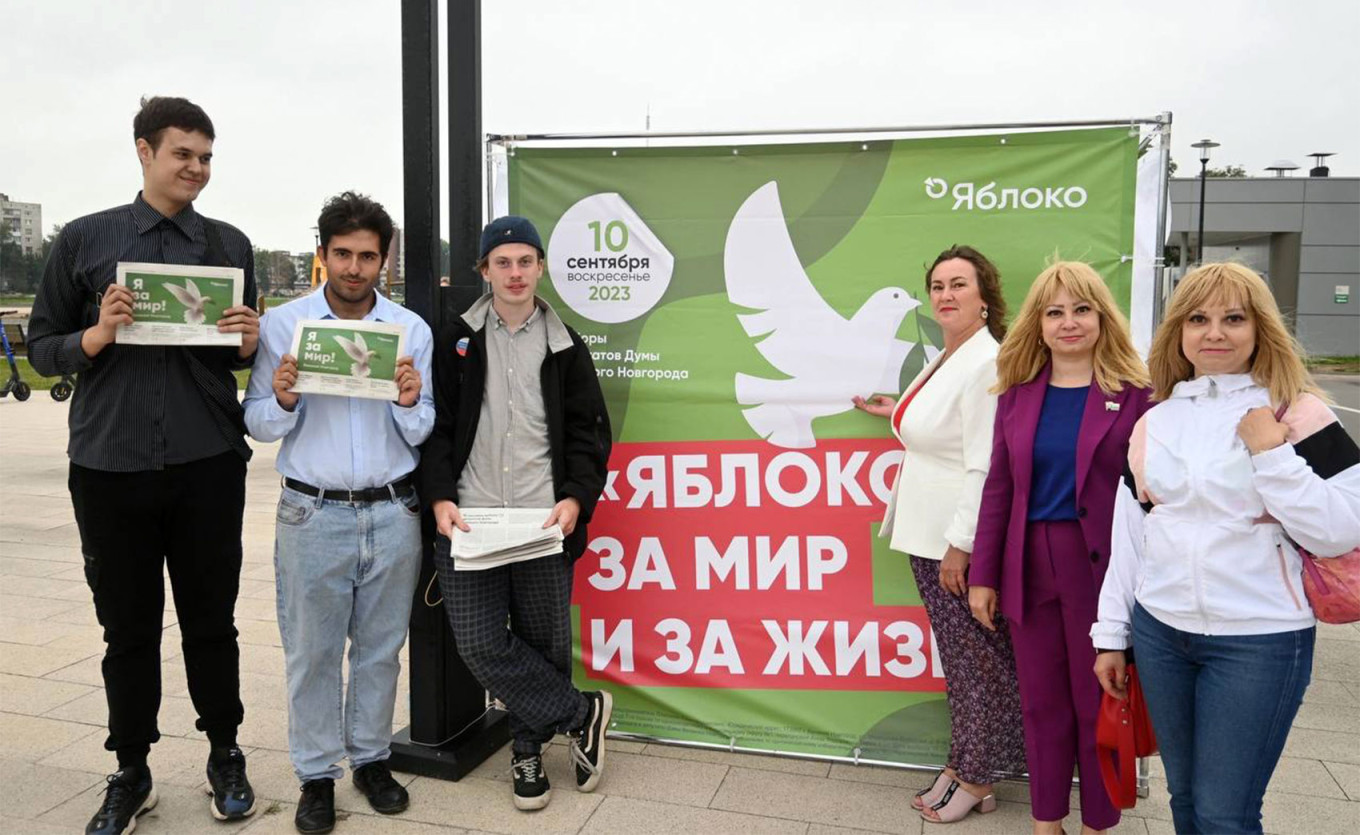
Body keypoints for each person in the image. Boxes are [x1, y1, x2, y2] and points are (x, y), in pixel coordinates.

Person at [26, 96, 260, 835]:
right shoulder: (87, 241)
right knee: (126, 630)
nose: (196, 168)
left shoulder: (229, 245)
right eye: (182, 153)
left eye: (206, 156)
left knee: (210, 622)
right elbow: (40, 346)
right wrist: (94, 335)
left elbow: (242, 355)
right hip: (109, 463)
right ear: (143, 151)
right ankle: (131, 767)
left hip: (207, 461)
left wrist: (250, 341)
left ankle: (225, 751)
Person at [1091, 262, 1360, 834]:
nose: (1214, 333)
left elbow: (1341, 529)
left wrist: (1272, 455)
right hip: (1162, 633)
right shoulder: (1153, 421)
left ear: (1259, 328)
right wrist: (1113, 636)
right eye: (1198, 318)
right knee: (1185, 802)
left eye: (1233, 318)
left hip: (1260, 639)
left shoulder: (1299, 413)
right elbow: (1132, 536)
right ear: (1178, 333)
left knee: (1225, 814)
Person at [243, 192, 433, 834]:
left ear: (385, 260)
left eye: (369, 257)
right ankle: (317, 775)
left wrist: (409, 402)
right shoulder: (283, 327)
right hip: (312, 512)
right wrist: (284, 397)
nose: (355, 268)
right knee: (313, 653)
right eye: (343, 254)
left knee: (381, 650)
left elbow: (422, 429)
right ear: (321, 255)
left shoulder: (411, 331)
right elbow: (259, 426)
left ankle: (372, 759)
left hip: (391, 512)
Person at [420, 216, 613, 812]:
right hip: (470, 521)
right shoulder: (454, 339)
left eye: (525, 261)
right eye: (502, 263)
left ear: (541, 267)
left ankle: (526, 748)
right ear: (483, 271)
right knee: (478, 643)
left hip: (542, 523)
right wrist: (439, 496)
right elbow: (435, 428)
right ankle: (582, 712)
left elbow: (589, 433)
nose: (515, 273)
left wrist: (576, 498)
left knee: (543, 642)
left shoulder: (565, 345)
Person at [968, 262, 1152, 835]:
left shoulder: (1139, 398)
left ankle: (1100, 821)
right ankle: (1047, 819)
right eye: (1054, 312)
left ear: (1102, 318)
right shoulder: (1017, 396)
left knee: (1095, 698)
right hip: (1028, 564)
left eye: (1081, 309)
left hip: (1102, 568)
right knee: (1041, 704)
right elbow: (999, 485)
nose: (1068, 322)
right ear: (1038, 324)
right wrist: (983, 572)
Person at [853, 245, 1026, 823]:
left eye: (959, 284)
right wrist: (896, 410)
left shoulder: (987, 362)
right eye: (937, 286)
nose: (946, 295)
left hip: (954, 542)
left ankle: (978, 777)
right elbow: (940, 426)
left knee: (979, 664)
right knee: (961, 661)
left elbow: (984, 463)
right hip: (927, 536)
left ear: (985, 297)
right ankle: (964, 764)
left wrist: (961, 545)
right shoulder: (952, 354)